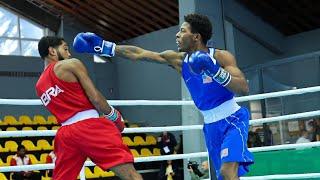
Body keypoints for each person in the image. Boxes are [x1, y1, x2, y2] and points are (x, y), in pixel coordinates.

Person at [73, 13, 254, 180]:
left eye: (182, 31)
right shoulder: (177, 60)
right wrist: (104, 47)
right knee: (223, 175)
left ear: (196, 37)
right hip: (211, 126)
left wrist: (214, 70)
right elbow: (140, 54)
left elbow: (243, 87)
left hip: (233, 119)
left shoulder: (221, 57)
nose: (177, 35)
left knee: (227, 171)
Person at [35, 36, 142, 180]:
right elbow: (95, 97)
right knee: (129, 174)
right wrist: (113, 115)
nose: (69, 54)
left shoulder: (39, 85)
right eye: (65, 49)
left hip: (65, 136)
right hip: (89, 127)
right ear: (52, 51)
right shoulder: (70, 64)